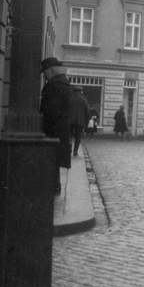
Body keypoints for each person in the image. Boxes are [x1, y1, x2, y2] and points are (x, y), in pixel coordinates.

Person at [39, 57, 71, 195]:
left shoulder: (54, 86)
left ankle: (52, 187)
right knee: (55, 159)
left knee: (50, 158)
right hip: (61, 130)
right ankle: (55, 185)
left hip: (52, 129)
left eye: (45, 72)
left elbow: (51, 112)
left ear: (51, 70)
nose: (44, 75)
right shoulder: (64, 84)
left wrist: (43, 127)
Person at [69, 86, 90, 157]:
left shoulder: (69, 99)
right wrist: (86, 122)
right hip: (80, 121)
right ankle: (75, 151)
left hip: (70, 121)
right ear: (81, 92)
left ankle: (69, 147)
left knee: (69, 134)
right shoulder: (83, 100)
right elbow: (87, 113)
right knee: (78, 136)